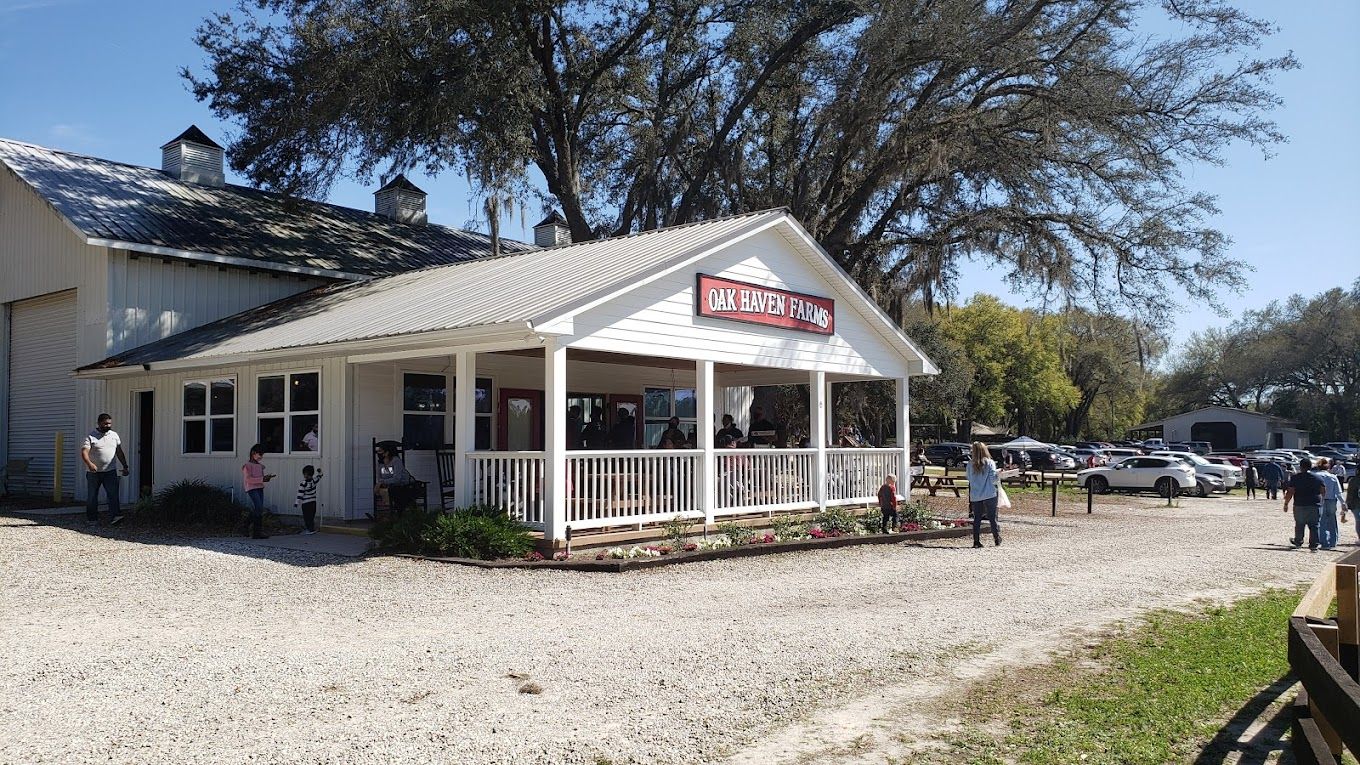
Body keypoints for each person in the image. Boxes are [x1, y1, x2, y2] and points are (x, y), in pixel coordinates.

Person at [80, 413, 130, 527]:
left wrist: (125, 466)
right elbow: (84, 452)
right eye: (105, 423)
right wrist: (89, 464)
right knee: (92, 496)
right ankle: (92, 519)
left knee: (113, 494)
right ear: (99, 423)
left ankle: (115, 517)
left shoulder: (114, 435)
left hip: (110, 471)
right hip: (93, 473)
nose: (108, 425)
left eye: (109, 423)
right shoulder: (91, 436)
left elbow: (119, 452)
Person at [1283, 457, 1324, 551]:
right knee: (1314, 525)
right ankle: (1314, 545)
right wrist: (1322, 502)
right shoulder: (1318, 478)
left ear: (1301, 467)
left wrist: (1286, 503)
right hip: (1315, 504)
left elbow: (1290, 492)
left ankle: (1298, 541)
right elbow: (1323, 491)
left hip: (1300, 504)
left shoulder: (1296, 478)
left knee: (1300, 524)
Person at [966, 441, 1002, 548]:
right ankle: (996, 538)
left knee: (977, 518)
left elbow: (968, 478)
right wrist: (998, 474)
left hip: (976, 494)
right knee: (992, 517)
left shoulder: (969, 464)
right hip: (989, 493)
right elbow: (992, 479)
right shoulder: (990, 463)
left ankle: (976, 541)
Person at [241, 444, 275, 539]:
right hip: (251, 488)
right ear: (253, 453)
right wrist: (262, 479)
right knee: (259, 507)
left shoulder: (260, 466)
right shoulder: (247, 466)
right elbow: (248, 479)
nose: (261, 457)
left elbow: (260, 478)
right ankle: (253, 530)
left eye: (262, 454)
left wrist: (266, 478)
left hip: (259, 488)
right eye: (259, 454)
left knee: (258, 509)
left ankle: (250, 529)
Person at [375, 443, 417, 513]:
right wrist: (382, 483)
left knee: (395, 491)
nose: (378, 453)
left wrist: (382, 482)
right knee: (383, 490)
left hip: (405, 484)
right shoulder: (381, 463)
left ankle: (396, 513)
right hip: (391, 485)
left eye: (380, 451)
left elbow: (397, 478)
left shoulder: (396, 461)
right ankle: (386, 514)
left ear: (387, 452)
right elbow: (380, 477)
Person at [1313, 458, 1344, 550]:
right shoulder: (1333, 477)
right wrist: (1343, 503)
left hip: (1320, 500)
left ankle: (1324, 542)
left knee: (1321, 522)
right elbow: (1338, 492)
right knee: (1332, 521)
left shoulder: (1316, 476)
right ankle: (1333, 542)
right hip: (1331, 500)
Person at [295, 465, 323, 535]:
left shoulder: (303, 483)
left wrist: (296, 503)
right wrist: (320, 471)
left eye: (304, 474)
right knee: (311, 517)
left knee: (307, 517)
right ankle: (311, 529)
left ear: (305, 474)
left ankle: (309, 530)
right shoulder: (314, 480)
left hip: (306, 503)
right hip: (313, 502)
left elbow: (300, 494)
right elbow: (320, 476)